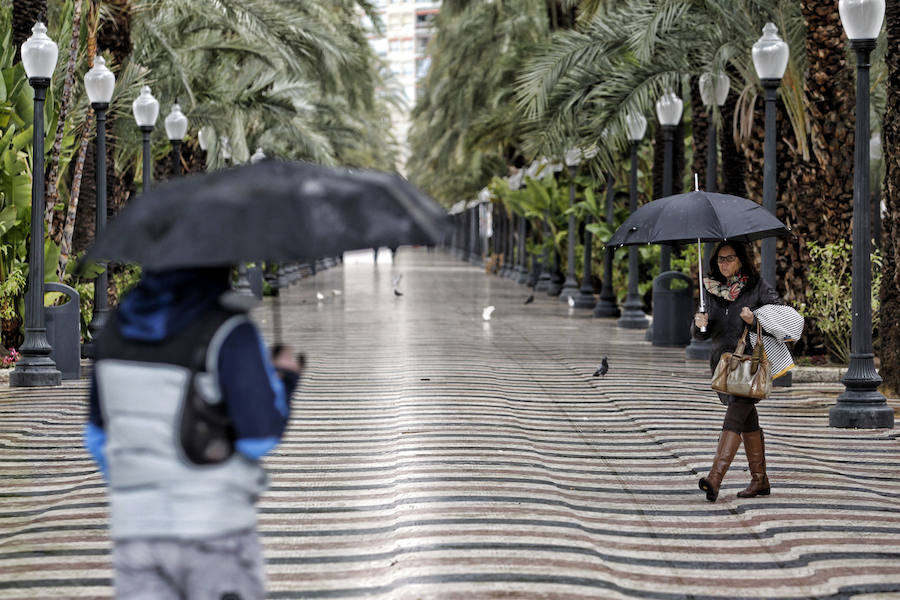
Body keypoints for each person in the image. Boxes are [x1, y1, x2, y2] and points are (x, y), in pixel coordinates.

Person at [83, 267, 302, 599]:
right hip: (214, 531)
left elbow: (97, 439)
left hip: (137, 533)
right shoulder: (229, 331)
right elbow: (259, 438)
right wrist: (284, 380)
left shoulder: (114, 331)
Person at [692, 242, 781, 502]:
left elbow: (779, 315)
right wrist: (700, 325)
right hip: (725, 365)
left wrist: (756, 320)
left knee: (736, 414)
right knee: (747, 418)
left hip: (750, 365)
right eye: (720, 259)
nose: (724, 263)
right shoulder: (709, 290)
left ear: (741, 260)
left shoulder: (757, 287)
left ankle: (715, 478)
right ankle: (760, 480)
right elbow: (698, 335)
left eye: (729, 258)